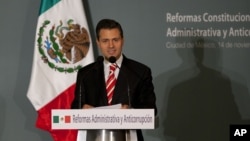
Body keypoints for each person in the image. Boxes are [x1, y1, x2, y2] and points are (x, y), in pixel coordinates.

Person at [71, 19, 157, 141]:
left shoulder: (140, 72)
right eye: (105, 41)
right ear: (98, 43)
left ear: (122, 41)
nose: (111, 45)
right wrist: (82, 109)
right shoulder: (86, 74)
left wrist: (131, 112)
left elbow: (151, 110)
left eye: (115, 40)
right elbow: (75, 109)